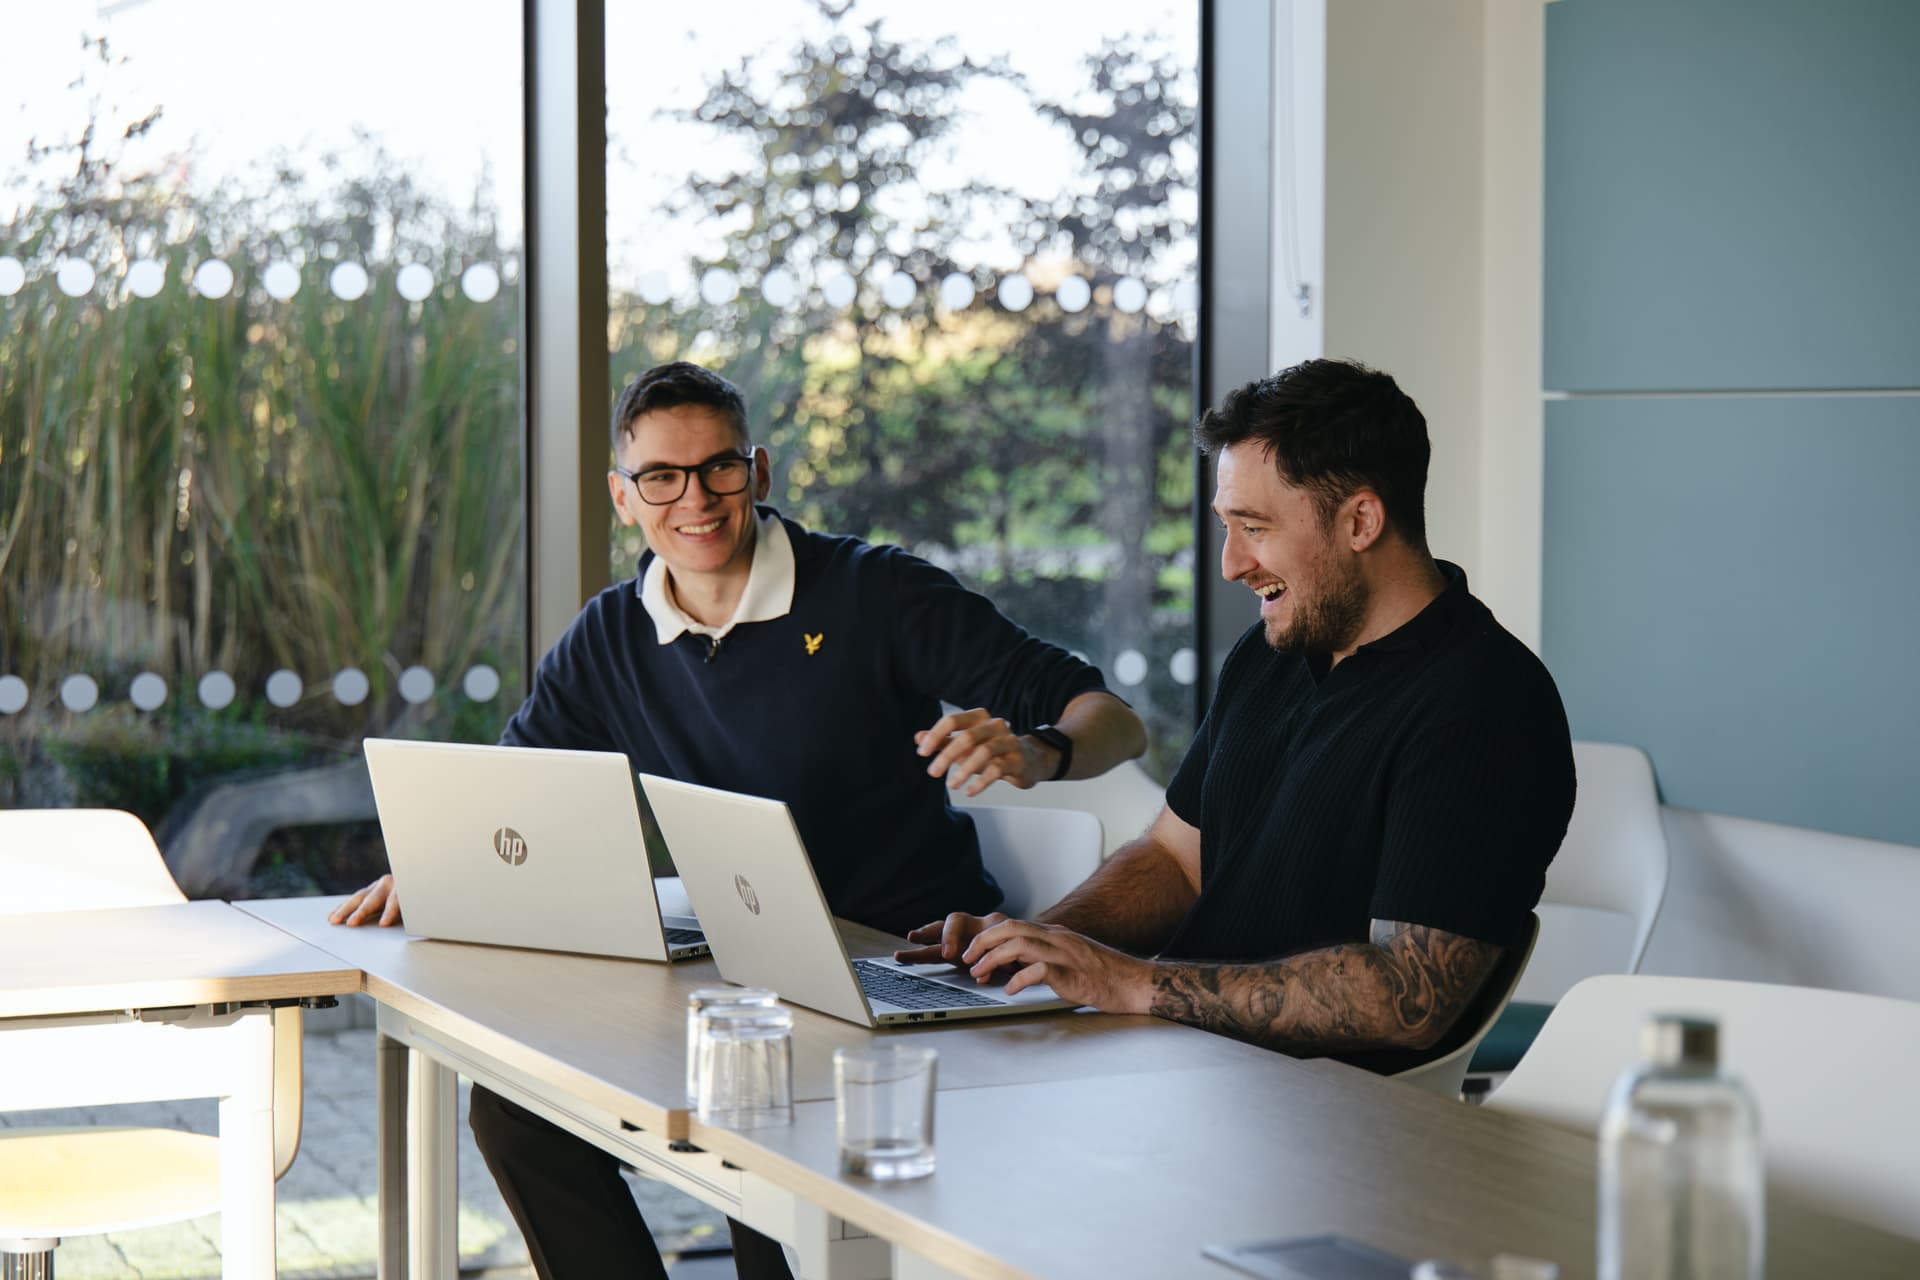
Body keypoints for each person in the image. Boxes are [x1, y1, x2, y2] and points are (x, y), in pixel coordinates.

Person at [329, 360, 1145, 1280]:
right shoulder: (613, 634)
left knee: (759, 1151)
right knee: (517, 1112)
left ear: (757, 471)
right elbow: (514, 800)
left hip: (897, 962)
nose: (696, 499)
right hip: (746, 972)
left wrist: (1041, 752)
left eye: (719, 468)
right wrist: (442, 866)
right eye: (661, 478)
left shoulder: (875, 591)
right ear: (624, 497)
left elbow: (1112, 717)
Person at [899, 358, 1575, 1071]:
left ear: (1362, 521)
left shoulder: (1484, 704)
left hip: (1322, 1120)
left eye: (1253, 526)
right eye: (1228, 526)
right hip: (1186, 1067)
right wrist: (1028, 947)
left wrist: (1132, 983)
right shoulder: (1272, 652)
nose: (1230, 563)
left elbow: (1406, 998)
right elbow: (1174, 861)